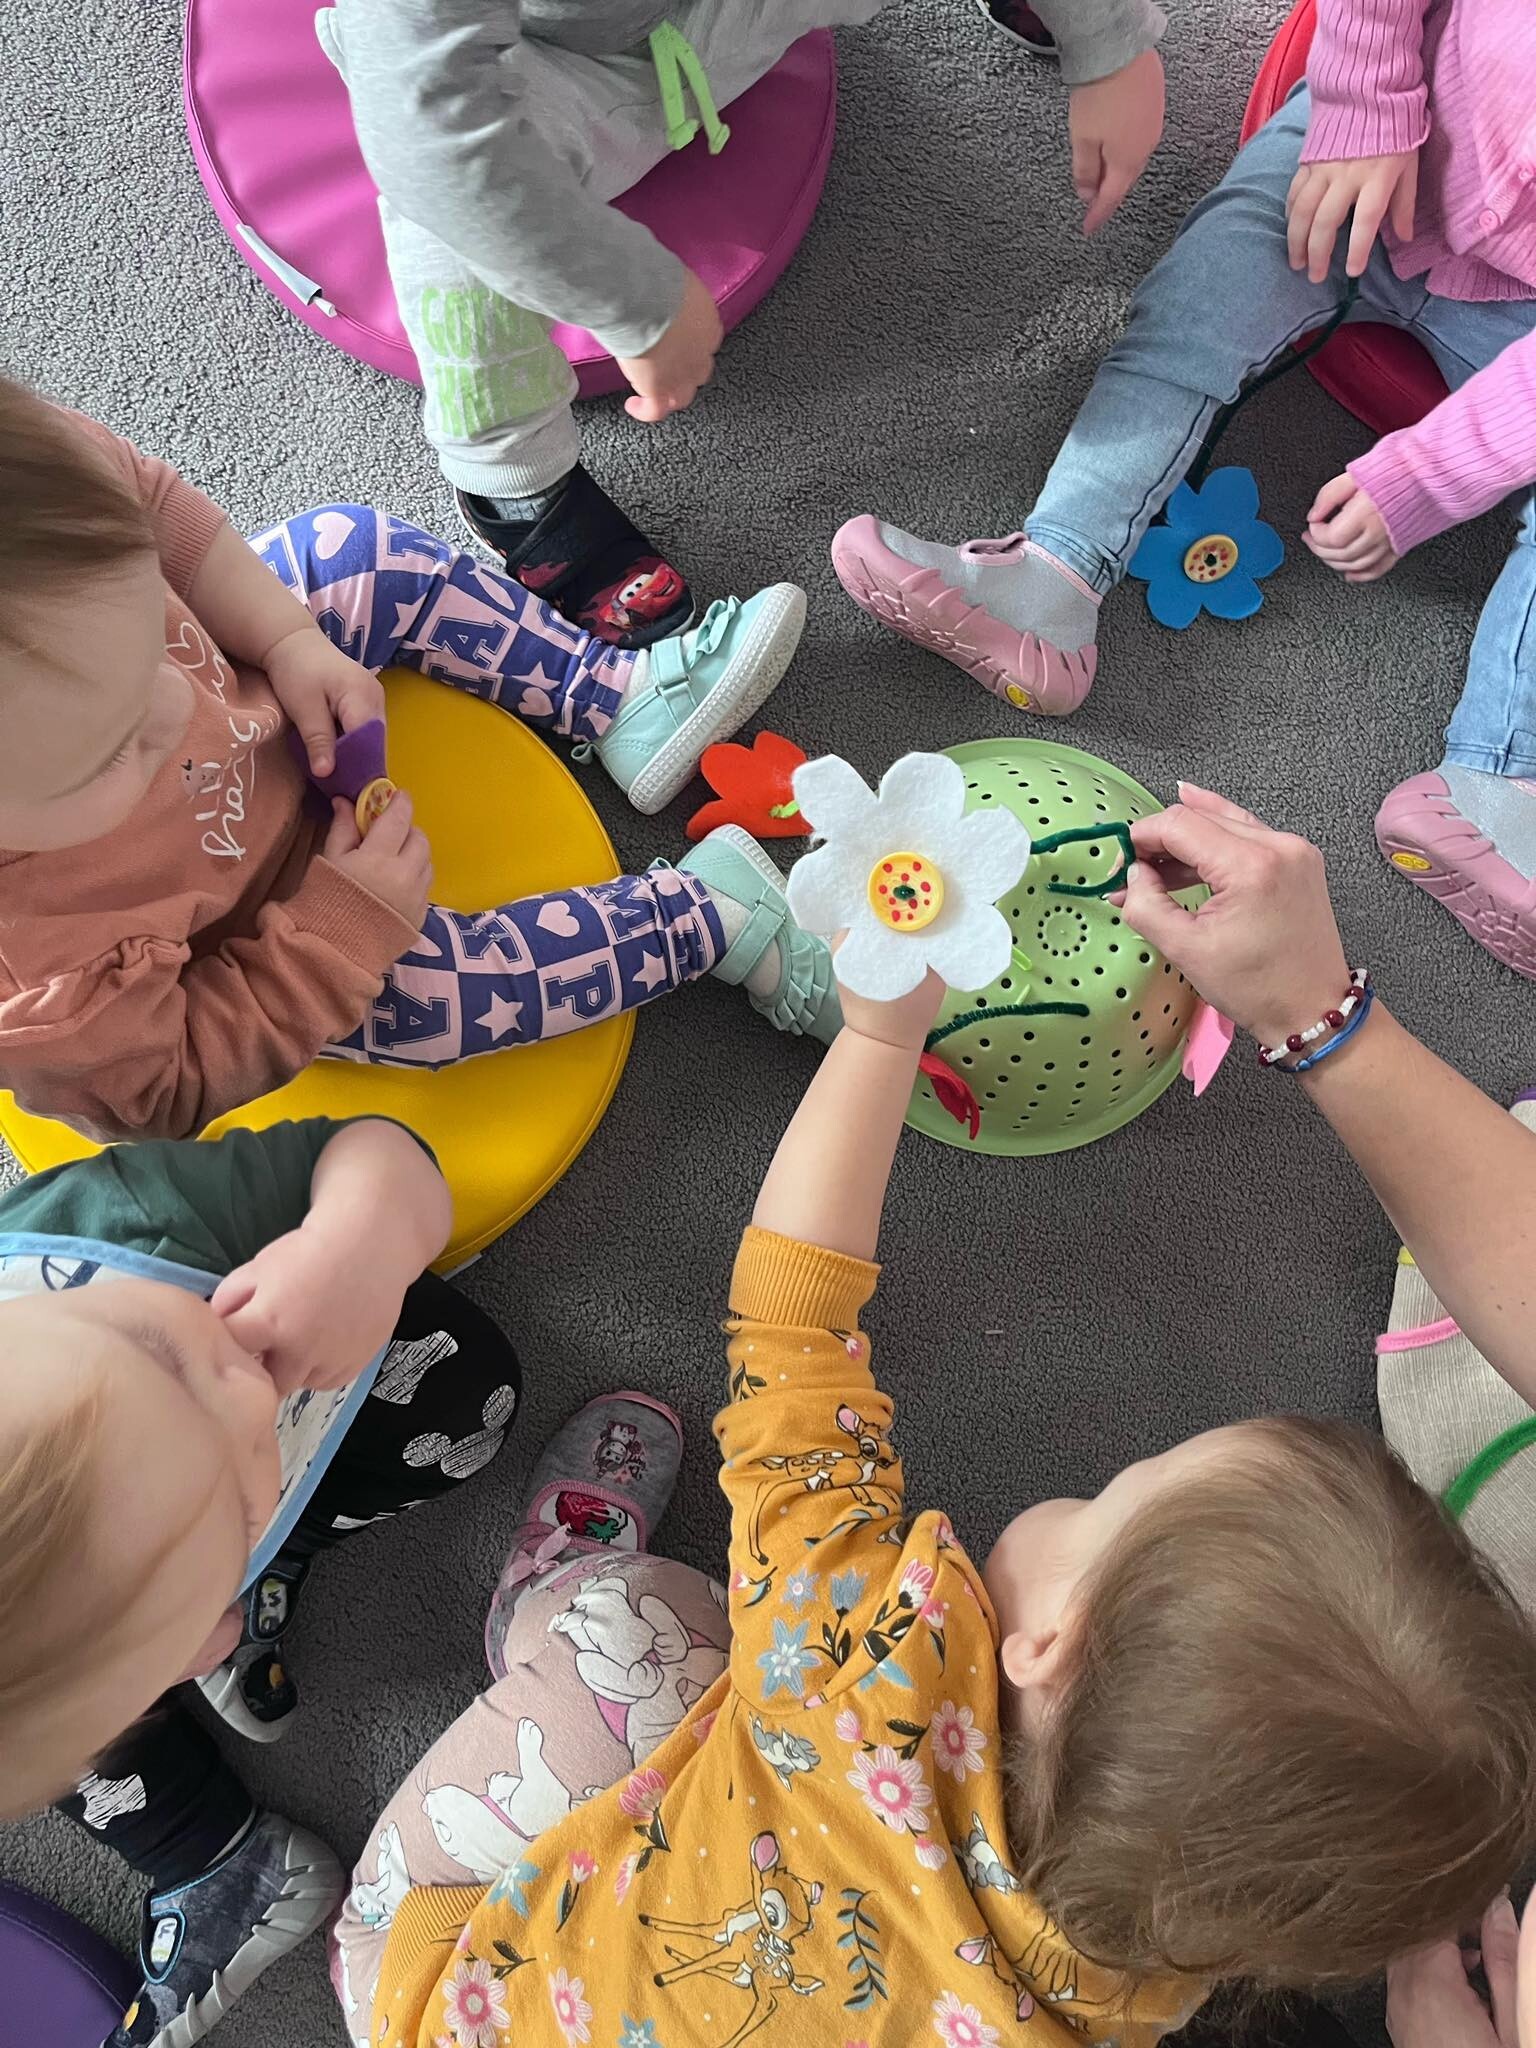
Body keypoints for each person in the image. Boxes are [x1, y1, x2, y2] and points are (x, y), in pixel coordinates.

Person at [333, 933, 1536, 2047]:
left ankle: (551, 1598)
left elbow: (791, 1327)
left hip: (439, 1990)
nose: (1097, 1484)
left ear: (1049, 1645)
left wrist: (880, 1035)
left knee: (662, 1625)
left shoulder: (851, 1645)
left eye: (1120, 1489)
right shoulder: (1146, 1994)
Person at [835, 0, 1536, 978]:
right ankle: (1055, 576)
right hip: (1390, 127)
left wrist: (1430, 473)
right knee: (1200, 302)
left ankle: (1496, 781)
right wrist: (1366, 106)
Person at [0, 380, 841, 1145]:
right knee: (429, 1004)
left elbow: (156, 507)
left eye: (155, 646)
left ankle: (620, 697)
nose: (176, 707)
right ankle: (706, 916)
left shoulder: (33, 489)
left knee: (353, 552)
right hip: (265, 919)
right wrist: (338, 929)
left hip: (266, 678)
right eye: (111, 750)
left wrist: (285, 641)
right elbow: (167, 1088)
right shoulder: (39, 992)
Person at [320, 0, 1169, 646]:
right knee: (452, 220)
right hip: (548, 67)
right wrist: (637, 299)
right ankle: (512, 478)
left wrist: (1109, 45)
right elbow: (432, 135)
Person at [0, 1113, 523, 2048]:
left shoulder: (121, 1227)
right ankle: (217, 1857)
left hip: (333, 1324)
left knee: (477, 1403)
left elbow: (388, 1152)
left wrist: (355, 1241)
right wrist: (177, 1627)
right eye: (238, 1509)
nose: (246, 1394)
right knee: (37, 1699)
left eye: (163, 1361)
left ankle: (280, 1543)